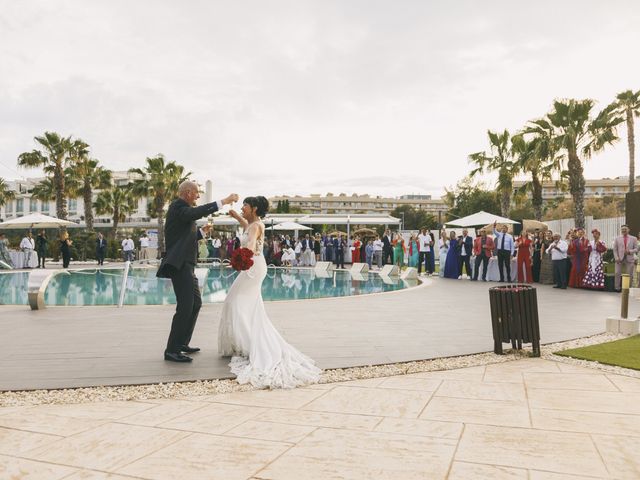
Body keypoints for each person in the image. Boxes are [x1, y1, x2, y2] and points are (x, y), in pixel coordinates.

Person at [218, 196, 321, 389]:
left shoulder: (256, 227)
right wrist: (235, 217)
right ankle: (244, 342)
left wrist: (241, 256)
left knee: (235, 301)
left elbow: (250, 243)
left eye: (245, 206)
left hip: (252, 266)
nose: (242, 208)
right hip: (253, 265)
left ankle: (248, 343)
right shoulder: (252, 223)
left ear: (254, 208)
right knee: (240, 303)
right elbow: (246, 226)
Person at [156, 180, 238, 363]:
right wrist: (223, 201)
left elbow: (183, 236)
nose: (198, 196)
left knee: (195, 304)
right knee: (185, 306)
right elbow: (195, 213)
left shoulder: (182, 211)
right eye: (196, 193)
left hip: (187, 264)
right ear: (187, 193)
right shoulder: (179, 207)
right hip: (180, 264)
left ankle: (182, 343)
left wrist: (201, 233)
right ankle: (171, 350)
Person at [613, 224, 638, 291]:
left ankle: (628, 288)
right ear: (621, 230)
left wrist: (630, 251)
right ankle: (617, 288)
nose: (624, 230)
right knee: (617, 273)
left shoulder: (634, 238)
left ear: (628, 230)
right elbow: (615, 249)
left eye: (625, 229)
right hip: (619, 259)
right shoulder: (617, 238)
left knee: (629, 274)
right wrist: (616, 258)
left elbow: (636, 249)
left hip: (629, 259)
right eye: (622, 229)